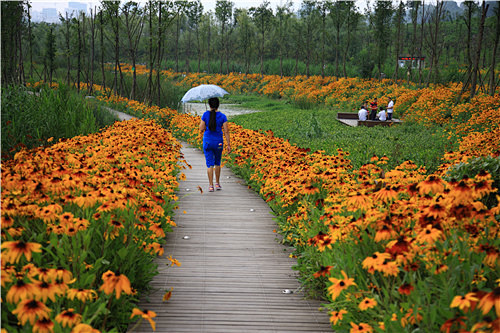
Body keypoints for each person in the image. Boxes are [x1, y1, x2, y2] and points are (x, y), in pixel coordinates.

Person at [199, 97, 231, 192]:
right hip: (218, 142)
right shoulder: (222, 116)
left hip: (208, 141)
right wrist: (229, 144)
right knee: (217, 162)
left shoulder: (205, 114)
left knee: (209, 164)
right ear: (218, 105)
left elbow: (201, 129)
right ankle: (217, 184)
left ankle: (210, 186)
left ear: (209, 105)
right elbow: (226, 131)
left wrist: (206, 121)